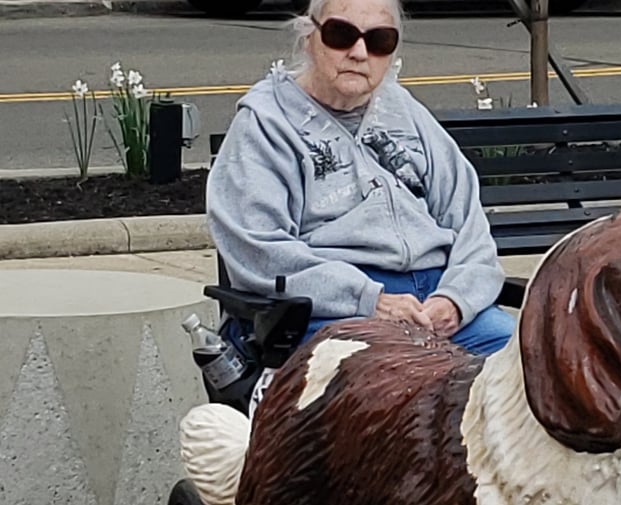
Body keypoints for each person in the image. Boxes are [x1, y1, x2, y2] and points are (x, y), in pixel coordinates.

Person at [205, 0, 516, 372]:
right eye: (341, 34)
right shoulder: (266, 123)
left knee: (532, 370)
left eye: (379, 40)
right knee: (397, 386)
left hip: (439, 300)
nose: (359, 52)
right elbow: (259, 250)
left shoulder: (405, 110)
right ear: (308, 37)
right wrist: (371, 300)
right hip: (333, 310)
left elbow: (468, 225)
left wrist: (456, 300)